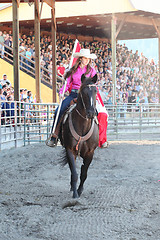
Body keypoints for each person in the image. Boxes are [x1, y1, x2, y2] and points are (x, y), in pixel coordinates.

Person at [46, 48, 108, 148]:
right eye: (85, 58)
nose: (87, 60)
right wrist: (62, 92)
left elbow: (94, 83)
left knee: (98, 112)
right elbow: (67, 84)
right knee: (59, 110)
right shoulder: (73, 71)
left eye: (88, 58)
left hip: (87, 95)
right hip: (74, 94)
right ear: (80, 59)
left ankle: (99, 137)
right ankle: (54, 136)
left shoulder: (91, 71)